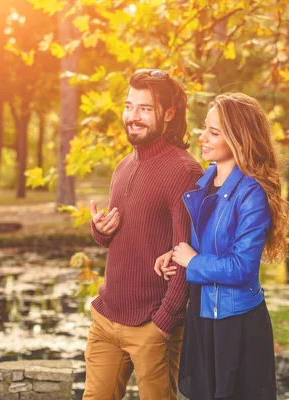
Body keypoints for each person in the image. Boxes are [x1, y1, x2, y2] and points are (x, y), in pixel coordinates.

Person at [155, 92, 289, 400]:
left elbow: (242, 268)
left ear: (239, 139)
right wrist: (176, 254)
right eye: (205, 128)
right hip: (202, 315)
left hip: (236, 324)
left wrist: (193, 262)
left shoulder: (251, 193)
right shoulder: (204, 183)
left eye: (214, 132)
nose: (202, 137)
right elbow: (203, 243)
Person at [83, 69, 204, 400]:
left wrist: (164, 321)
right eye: (128, 106)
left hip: (153, 325)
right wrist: (101, 231)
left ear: (168, 113)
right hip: (107, 319)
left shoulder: (185, 171)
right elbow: (125, 235)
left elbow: (188, 252)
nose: (132, 118)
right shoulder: (123, 166)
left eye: (144, 109)